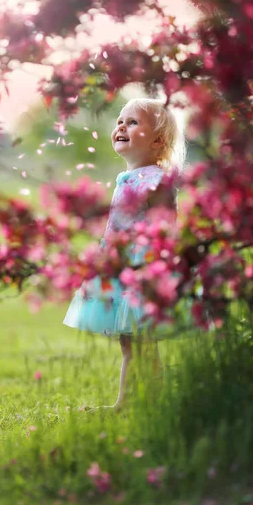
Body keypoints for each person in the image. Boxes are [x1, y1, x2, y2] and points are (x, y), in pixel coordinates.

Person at [63, 98, 186, 410]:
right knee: (130, 341)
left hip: (142, 270)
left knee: (143, 342)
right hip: (120, 269)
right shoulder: (128, 178)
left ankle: (148, 404)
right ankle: (127, 403)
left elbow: (164, 225)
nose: (121, 126)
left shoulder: (156, 179)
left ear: (158, 140)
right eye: (120, 121)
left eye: (132, 122)